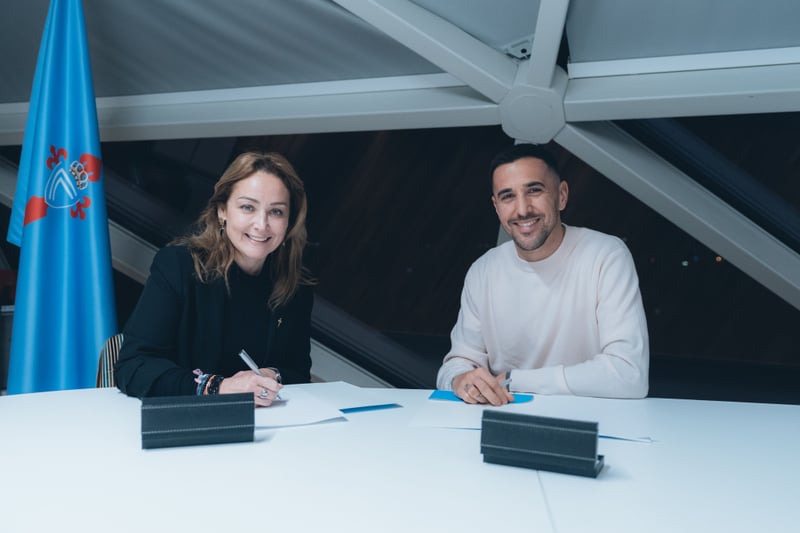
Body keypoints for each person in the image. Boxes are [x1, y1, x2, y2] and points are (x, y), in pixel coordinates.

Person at [436, 144, 649, 404]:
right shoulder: (483, 271)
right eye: (508, 196)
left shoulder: (605, 255)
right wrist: (459, 380)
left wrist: (515, 380)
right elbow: (457, 364)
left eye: (534, 191)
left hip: (588, 418)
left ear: (561, 195)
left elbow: (629, 374)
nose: (522, 209)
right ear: (496, 207)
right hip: (505, 416)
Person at [115, 151, 314, 406]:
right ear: (222, 211)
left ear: (289, 221)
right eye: (248, 207)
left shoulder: (295, 287)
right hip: (187, 420)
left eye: (276, 212)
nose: (261, 224)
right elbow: (134, 367)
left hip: (263, 422)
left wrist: (271, 374)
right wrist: (219, 387)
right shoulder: (178, 266)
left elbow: (298, 371)